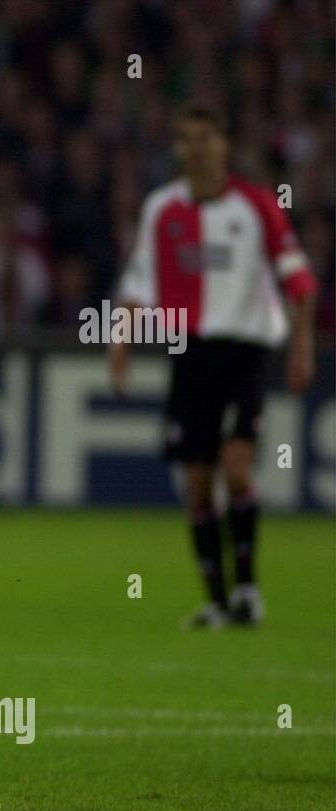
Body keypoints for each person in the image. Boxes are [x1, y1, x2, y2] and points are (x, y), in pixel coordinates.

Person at [110, 104, 317, 628]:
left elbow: (298, 279)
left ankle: (248, 591)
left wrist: (301, 345)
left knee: (237, 469)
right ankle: (218, 601)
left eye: (205, 138)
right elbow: (137, 285)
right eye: (186, 140)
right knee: (198, 484)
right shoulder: (162, 208)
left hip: (244, 351)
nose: (195, 149)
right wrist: (120, 349)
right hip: (188, 352)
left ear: (224, 145)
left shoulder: (257, 206)